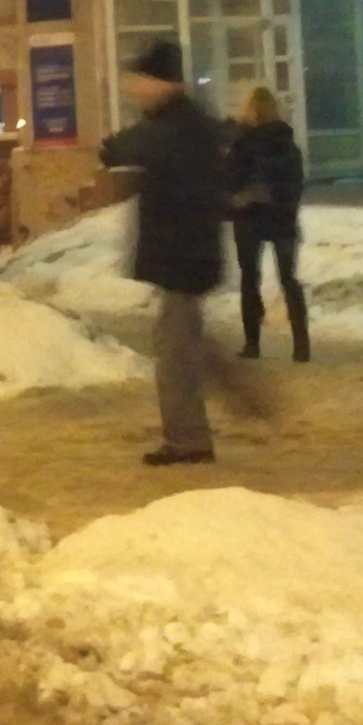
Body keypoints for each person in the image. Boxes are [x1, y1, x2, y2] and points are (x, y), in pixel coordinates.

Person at [99, 38, 233, 466]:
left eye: (139, 80)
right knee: (186, 343)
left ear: (161, 82)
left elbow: (129, 151)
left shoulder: (177, 128)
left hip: (183, 257)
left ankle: (188, 438)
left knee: (176, 353)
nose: (133, 88)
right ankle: (241, 398)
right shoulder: (178, 123)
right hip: (185, 255)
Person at [226, 86, 309, 362]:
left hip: (249, 217)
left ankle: (252, 344)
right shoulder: (287, 144)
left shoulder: (242, 144)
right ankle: (301, 345)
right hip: (283, 218)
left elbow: (231, 179)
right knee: (289, 279)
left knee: (250, 278)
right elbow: (296, 183)